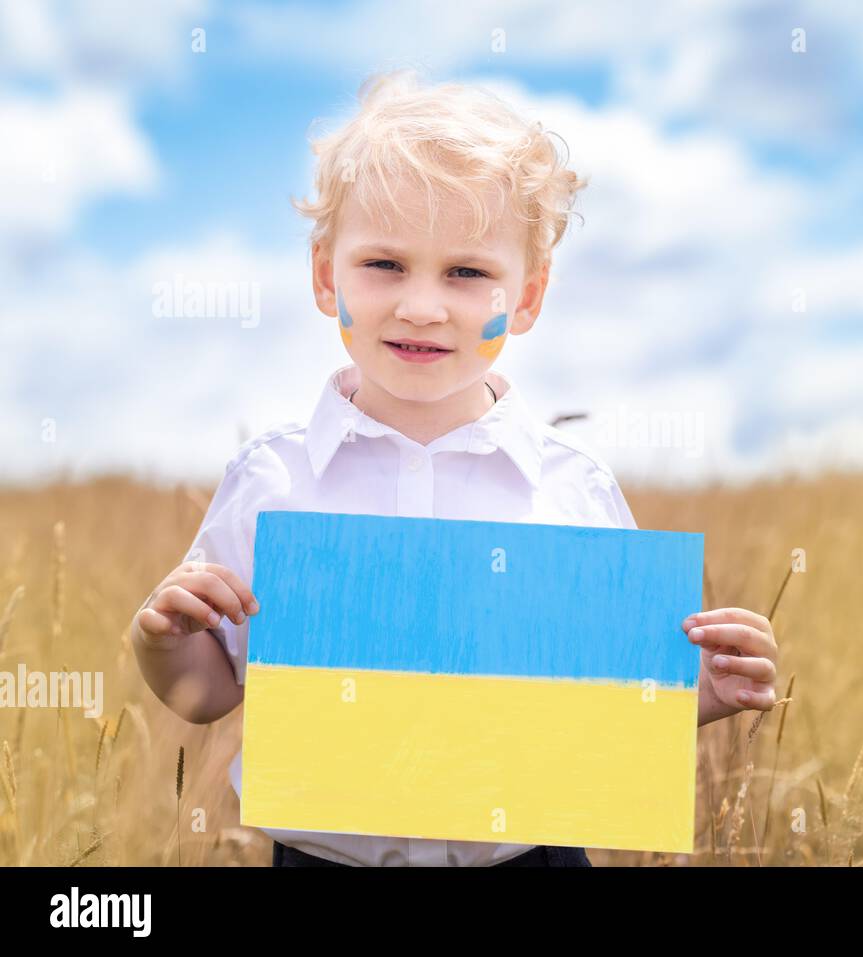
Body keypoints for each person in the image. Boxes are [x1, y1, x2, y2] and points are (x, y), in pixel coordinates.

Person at [130, 69, 779, 867]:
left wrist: (698, 696)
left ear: (528, 296)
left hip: (528, 856)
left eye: (467, 273)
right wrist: (162, 639)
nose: (423, 306)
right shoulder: (274, 479)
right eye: (385, 265)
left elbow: (601, 710)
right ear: (324, 275)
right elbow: (209, 692)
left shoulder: (568, 487)